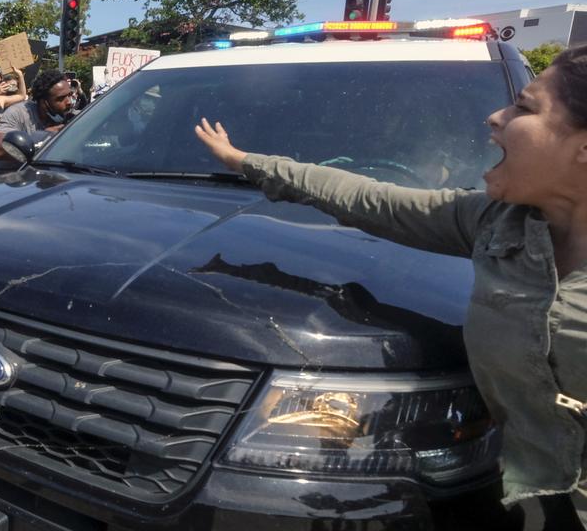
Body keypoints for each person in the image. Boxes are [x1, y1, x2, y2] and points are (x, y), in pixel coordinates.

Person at [193, 44, 587, 527]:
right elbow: (372, 199)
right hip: (527, 498)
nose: (496, 117)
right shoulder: (496, 223)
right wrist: (246, 161)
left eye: (524, 108)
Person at [0, 70, 75, 180]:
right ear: (44, 101)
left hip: (20, 177)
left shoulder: (63, 117)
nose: (69, 102)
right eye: (60, 98)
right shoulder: (18, 112)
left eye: (69, 95)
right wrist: (44, 136)